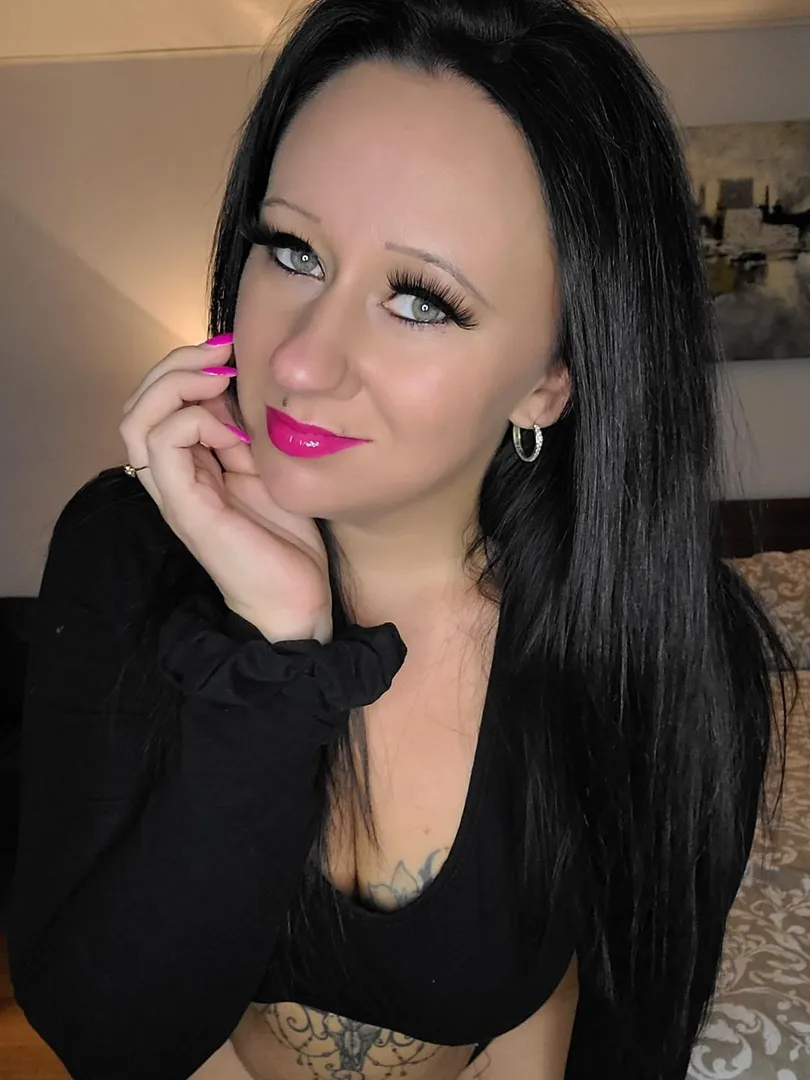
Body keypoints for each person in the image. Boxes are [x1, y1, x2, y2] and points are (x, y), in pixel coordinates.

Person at [7, 1, 797, 1078]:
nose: (300, 362)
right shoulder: (125, 550)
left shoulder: (663, 649)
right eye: (292, 249)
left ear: (550, 379)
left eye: (421, 301)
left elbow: (631, 1040)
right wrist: (279, 650)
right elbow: (105, 1034)